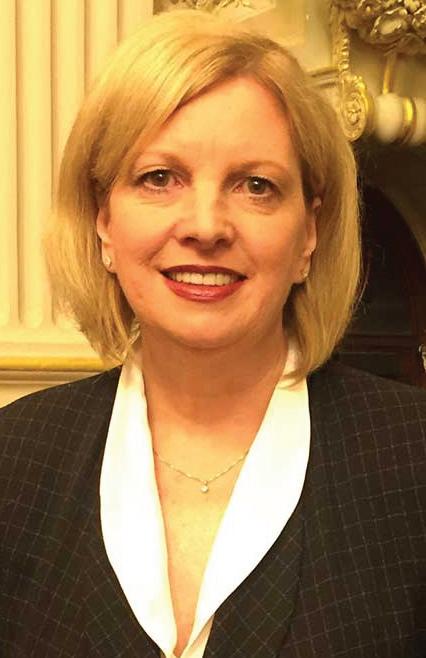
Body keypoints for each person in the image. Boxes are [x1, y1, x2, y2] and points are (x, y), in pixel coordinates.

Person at [1, 9, 425, 658]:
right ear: (104, 222)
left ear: (309, 233)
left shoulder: (412, 459)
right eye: (159, 178)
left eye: (255, 186)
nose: (205, 226)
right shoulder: (15, 460)